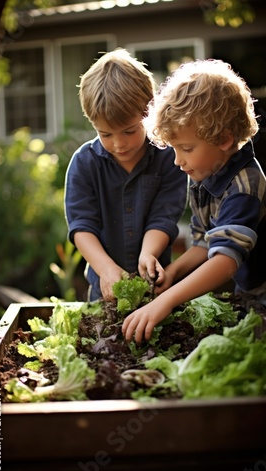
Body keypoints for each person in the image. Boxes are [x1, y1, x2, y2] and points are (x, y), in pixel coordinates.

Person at [122, 58, 266, 344]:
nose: (178, 161)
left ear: (224, 139)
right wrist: (172, 273)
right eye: (175, 149)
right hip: (247, 295)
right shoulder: (204, 172)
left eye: (186, 148)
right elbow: (205, 243)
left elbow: (225, 261)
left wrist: (165, 302)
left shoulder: (245, 187)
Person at [64, 48, 188, 302]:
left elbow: (163, 218)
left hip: (155, 287)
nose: (119, 144)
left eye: (130, 131)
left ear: (149, 113)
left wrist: (148, 254)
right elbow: (81, 227)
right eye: (106, 134)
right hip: (104, 291)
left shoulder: (169, 158)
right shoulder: (84, 164)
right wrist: (107, 270)